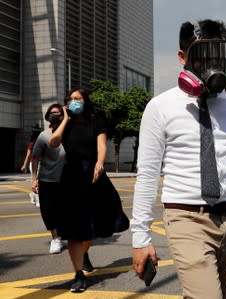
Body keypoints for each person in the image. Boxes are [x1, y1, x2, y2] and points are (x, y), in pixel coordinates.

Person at [131, 19, 226, 299]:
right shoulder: (160, 108)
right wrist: (141, 238)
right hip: (187, 219)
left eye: (219, 57)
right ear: (182, 57)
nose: (212, 66)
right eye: (202, 57)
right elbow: (147, 175)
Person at [49, 88, 129, 293]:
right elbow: (53, 142)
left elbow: (101, 145)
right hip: (70, 176)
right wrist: (65, 118)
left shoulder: (96, 120)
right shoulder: (63, 122)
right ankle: (78, 275)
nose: (74, 101)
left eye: (78, 99)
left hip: (92, 173)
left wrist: (100, 162)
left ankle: (84, 253)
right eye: (71, 99)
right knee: (74, 228)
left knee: (91, 224)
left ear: (85, 101)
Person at [31, 104, 66, 254]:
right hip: (47, 179)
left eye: (58, 113)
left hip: (67, 180)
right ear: (47, 116)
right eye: (52, 113)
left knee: (64, 210)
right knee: (48, 211)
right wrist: (33, 179)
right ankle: (55, 238)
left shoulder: (69, 134)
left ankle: (64, 235)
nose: (55, 115)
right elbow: (35, 158)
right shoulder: (44, 136)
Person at [21, 124, 42, 206]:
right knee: (36, 182)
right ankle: (37, 200)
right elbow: (28, 155)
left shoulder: (42, 141)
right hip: (33, 164)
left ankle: (32, 194)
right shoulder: (32, 143)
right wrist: (25, 165)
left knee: (38, 182)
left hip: (41, 164)